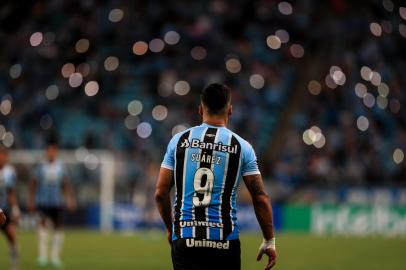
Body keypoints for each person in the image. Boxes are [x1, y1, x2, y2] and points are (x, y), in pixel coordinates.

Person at [155, 83, 277, 270]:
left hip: (186, 237)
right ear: (230, 111)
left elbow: (160, 193)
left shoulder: (179, 141)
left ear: (200, 109)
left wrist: (170, 228)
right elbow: (260, 197)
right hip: (224, 240)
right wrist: (269, 240)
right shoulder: (242, 147)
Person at [28, 139, 76, 268]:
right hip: (42, 202)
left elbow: (65, 185)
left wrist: (70, 200)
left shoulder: (61, 168)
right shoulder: (41, 167)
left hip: (57, 202)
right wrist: (31, 200)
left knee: (58, 228)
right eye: (49, 151)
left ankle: (55, 257)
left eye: (53, 151)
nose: (51, 153)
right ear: (46, 152)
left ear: (56, 152)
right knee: (42, 227)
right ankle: (43, 256)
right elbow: (33, 184)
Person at [0, 147, 20, 270]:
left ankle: (14, 266)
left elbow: (11, 192)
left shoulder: (9, 172)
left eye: (4, 155)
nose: (3, 158)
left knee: (12, 236)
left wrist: (15, 209)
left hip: (5, 209)